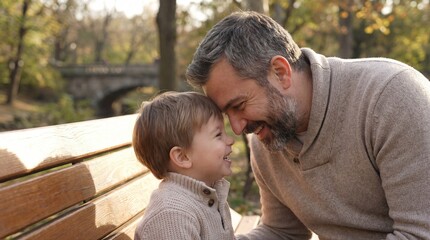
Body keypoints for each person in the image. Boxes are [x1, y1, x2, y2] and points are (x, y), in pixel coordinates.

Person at [186, 11, 430, 240]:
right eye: (226, 114)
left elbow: (419, 234)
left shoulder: (393, 97)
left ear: (281, 72)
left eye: (239, 105)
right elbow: (283, 232)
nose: (237, 128)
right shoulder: (268, 138)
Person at [132, 91, 236, 240]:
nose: (230, 140)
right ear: (182, 157)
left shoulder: (208, 195)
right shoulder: (172, 214)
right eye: (218, 135)